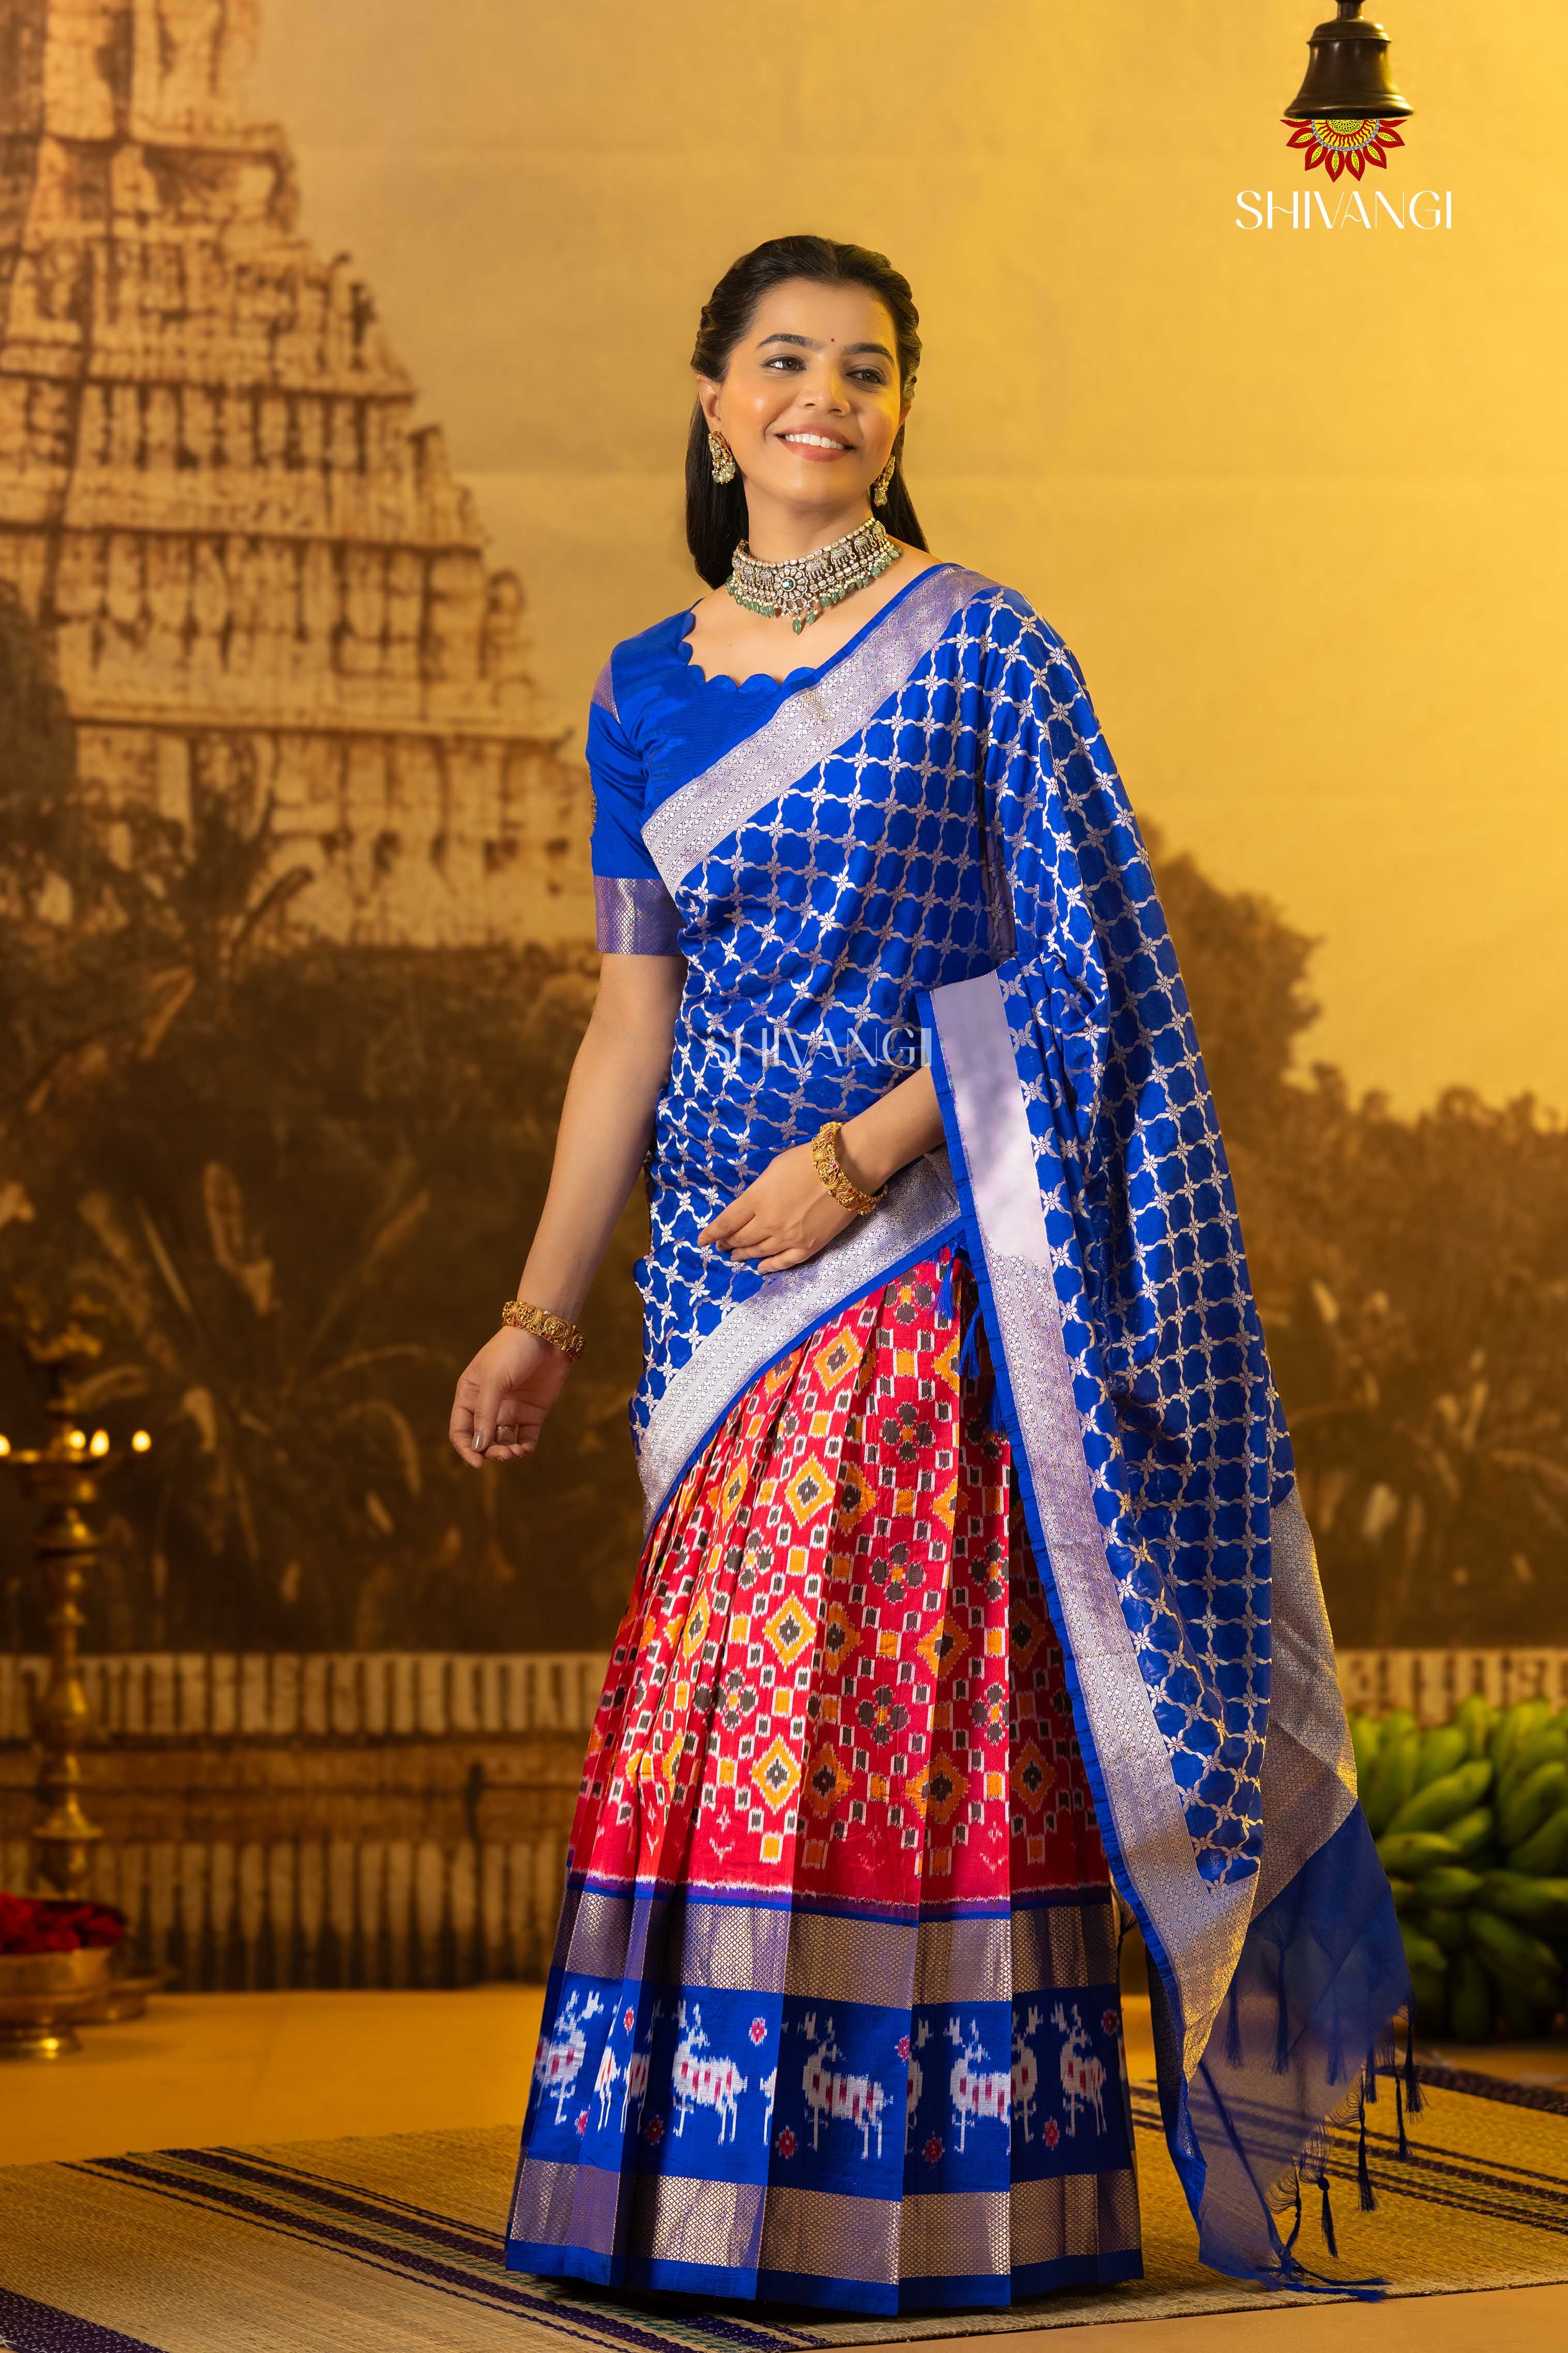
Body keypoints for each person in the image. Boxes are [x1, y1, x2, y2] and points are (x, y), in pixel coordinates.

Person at [449, 234, 1410, 2316]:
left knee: (888, 1714)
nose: (826, 394)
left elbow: (1080, 970)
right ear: (714, 403)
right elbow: (628, 1020)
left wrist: (859, 1155)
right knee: (719, 1723)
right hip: (714, 1294)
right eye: (784, 359)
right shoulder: (638, 688)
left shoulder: (986, 651)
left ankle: (942, 2200)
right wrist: (537, 1313)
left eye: (867, 368)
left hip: (916, 1265)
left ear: (896, 419)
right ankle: (696, 2192)